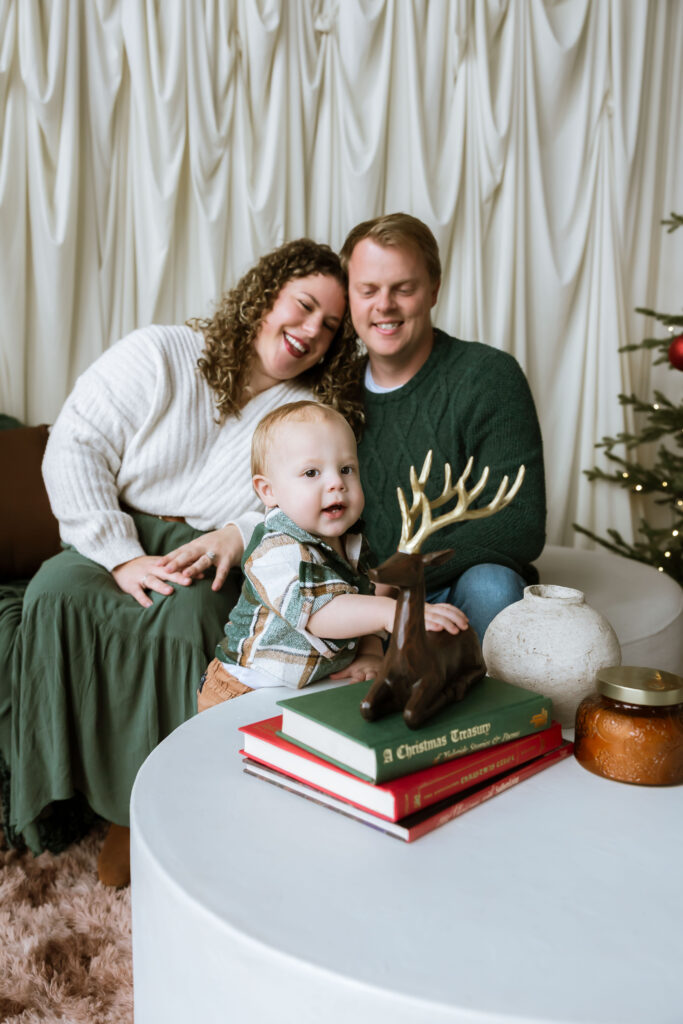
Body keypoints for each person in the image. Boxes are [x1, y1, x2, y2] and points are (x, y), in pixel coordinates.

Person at [1, 238, 366, 886]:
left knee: (188, 618)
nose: (310, 331)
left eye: (329, 327)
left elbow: (307, 502)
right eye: (303, 306)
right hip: (114, 529)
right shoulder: (162, 353)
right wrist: (119, 555)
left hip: (211, 548)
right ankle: (61, 802)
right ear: (265, 296)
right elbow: (75, 441)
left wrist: (238, 532)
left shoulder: (302, 410)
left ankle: (145, 812)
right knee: (53, 593)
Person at [339, 213, 547, 643]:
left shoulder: (488, 375)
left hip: (452, 584)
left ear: (433, 289)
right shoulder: (335, 391)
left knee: (493, 584)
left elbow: (520, 523)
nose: (384, 306)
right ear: (349, 296)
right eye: (368, 290)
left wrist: (405, 572)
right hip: (360, 592)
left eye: (403, 288)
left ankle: (488, 711)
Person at [199, 401, 466, 708]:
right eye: (311, 472)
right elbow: (322, 614)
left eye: (346, 469)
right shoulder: (274, 549)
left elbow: (361, 599)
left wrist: (369, 654)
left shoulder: (351, 542)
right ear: (268, 491)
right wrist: (392, 613)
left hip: (302, 689)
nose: (336, 483)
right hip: (241, 690)